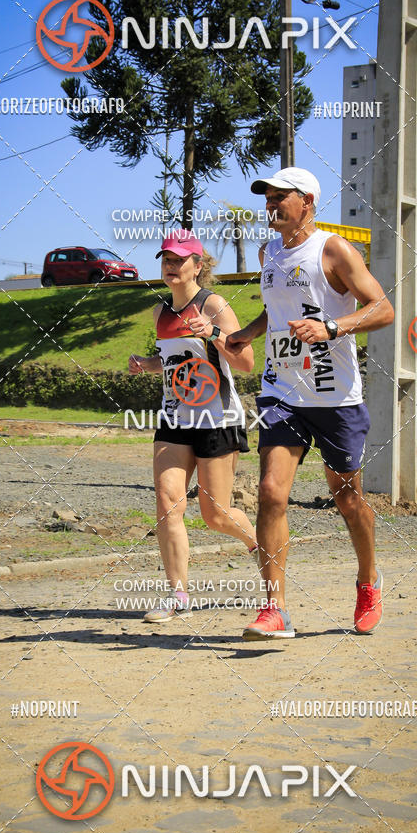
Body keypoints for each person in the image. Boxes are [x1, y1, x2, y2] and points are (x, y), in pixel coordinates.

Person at [226, 167, 395, 639]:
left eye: (281, 197)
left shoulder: (334, 249)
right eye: (268, 197)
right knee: (270, 494)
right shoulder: (268, 253)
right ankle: (274, 608)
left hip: (336, 397)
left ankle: (367, 581)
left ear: (308, 202)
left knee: (347, 498)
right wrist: (248, 332)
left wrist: (332, 328)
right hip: (283, 392)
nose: (271, 205)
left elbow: (384, 308)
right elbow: (276, 310)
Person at [128, 229, 258, 622]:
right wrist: (146, 365)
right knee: (168, 502)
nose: (171, 265)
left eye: (179, 259)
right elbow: (173, 363)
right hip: (174, 417)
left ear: (198, 266)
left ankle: (261, 545)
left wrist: (214, 334)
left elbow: (247, 362)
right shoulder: (160, 313)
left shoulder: (214, 304)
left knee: (215, 515)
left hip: (217, 417)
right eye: (166, 259)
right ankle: (177, 594)